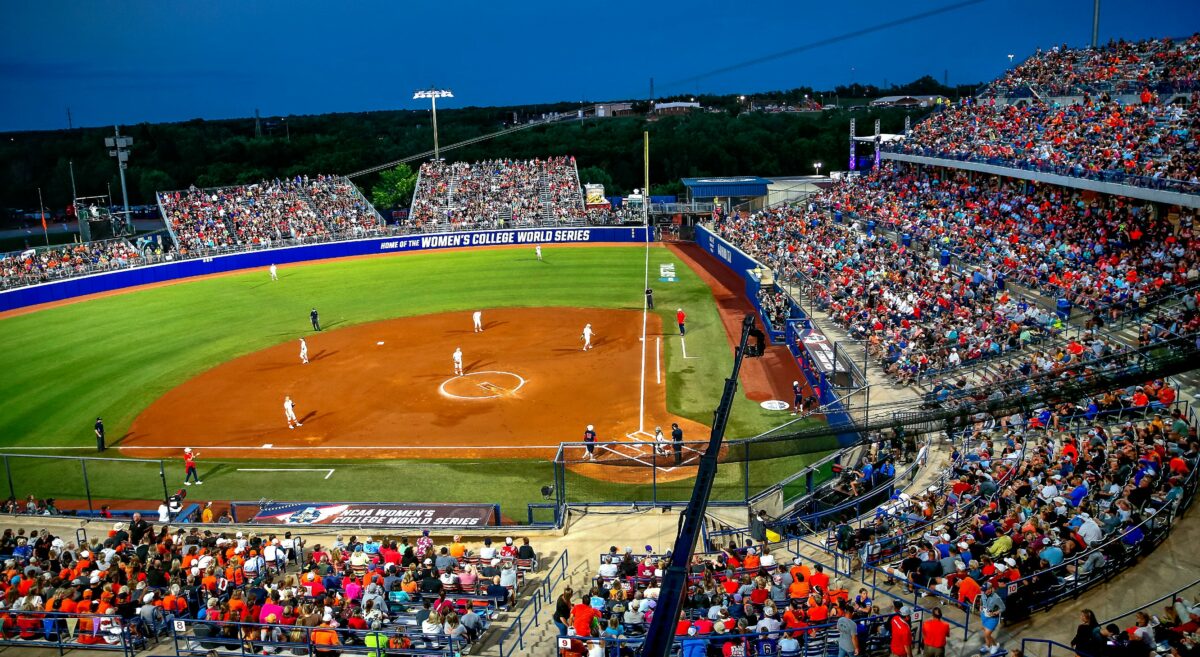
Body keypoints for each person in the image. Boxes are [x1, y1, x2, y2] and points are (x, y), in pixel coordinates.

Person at [979, 582, 1005, 654]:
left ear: (990, 589)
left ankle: (995, 645)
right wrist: (981, 606)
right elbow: (982, 599)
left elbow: (1003, 608)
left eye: (985, 590)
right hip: (984, 615)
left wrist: (994, 613)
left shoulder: (996, 598)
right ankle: (988, 646)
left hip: (993, 618)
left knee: (987, 634)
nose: (984, 592)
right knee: (985, 632)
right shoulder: (983, 593)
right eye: (983, 590)